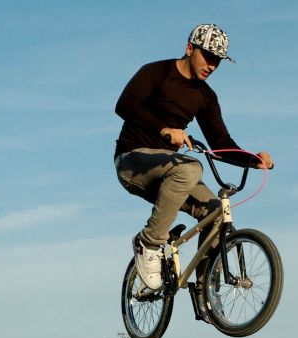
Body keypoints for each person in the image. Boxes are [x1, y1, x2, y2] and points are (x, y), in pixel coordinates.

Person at [114, 23, 274, 290]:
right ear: (190, 49)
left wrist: (252, 159)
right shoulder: (156, 72)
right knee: (190, 168)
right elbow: (124, 105)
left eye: (217, 62)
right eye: (208, 57)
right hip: (133, 160)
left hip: (170, 169)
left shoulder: (206, 97)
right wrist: (163, 129)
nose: (211, 66)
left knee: (215, 213)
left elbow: (220, 143)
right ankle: (149, 242)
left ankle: (206, 292)